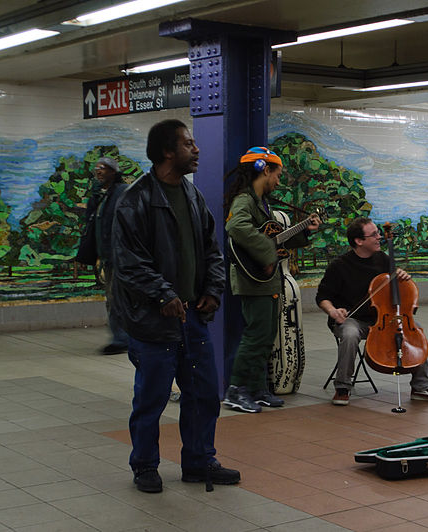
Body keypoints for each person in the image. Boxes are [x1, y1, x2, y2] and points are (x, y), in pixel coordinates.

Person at [112, 119, 238, 493]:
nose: (196, 149)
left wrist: (213, 290)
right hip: (153, 323)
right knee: (150, 399)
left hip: (194, 319)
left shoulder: (193, 196)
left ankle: (199, 462)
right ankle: (145, 466)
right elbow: (128, 261)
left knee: (202, 395)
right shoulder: (135, 200)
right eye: (188, 143)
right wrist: (163, 294)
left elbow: (212, 251)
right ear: (168, 151)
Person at [223, 147, 320, 413]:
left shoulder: (261, 203)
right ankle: (236, 390)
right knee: (256, 336)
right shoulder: (244, 201)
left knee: (266, 336)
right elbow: (235, 227)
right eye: (277, 175)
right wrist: (266, 253)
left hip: (266, 280)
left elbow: (275, 238)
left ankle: (257, 388)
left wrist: (304, 232)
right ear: (265, 170)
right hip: (253, 279)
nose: (278, 181)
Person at [316, 217, 428, 406]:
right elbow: (322, 297)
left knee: (416, 330)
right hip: (352, 319)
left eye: (379, 233)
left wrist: (402, 276)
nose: (379, 237)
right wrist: (333, 311)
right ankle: (343, 386)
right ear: (359, 241)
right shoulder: (339, 266)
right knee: (350, 332)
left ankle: (421, 386)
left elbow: (397, 287)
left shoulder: (383, 259)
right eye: (374, 235)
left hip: (382, 319)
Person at [74, 156, 129, 355]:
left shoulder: (122, 193)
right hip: (107, 257)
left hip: (120, 257)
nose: (98, 171)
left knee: (117, 299)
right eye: (96, 168)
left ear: (114, 172)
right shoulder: (100, 196)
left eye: (103, 168)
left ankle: (122, 338)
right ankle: (121, 336)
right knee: (112, 299)